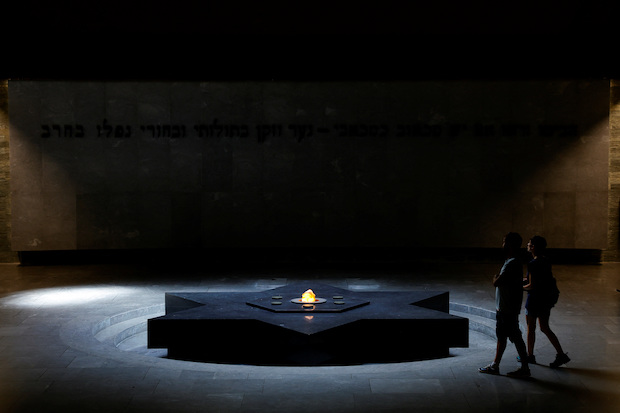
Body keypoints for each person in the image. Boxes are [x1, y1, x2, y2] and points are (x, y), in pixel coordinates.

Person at [479, 232, 531, 377]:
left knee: (513, 336)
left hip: (507, 308)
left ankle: (523, 368)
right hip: (507, 307)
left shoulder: (512, 263)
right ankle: (496, 364)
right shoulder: (513, 261)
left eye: (504, 242)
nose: (502, 244)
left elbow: (497, 282)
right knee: (505, 336)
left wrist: (495, 276)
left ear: (509, 244)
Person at [521, 235, 570, 368]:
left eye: (529, 243)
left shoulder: (532, 263)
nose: (527, 245)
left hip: (534, 300)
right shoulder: (546, 261)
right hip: (545, 300)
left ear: (534, 247)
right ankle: (561, 354)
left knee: (531, 328)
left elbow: (532, 285)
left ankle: (529, 355)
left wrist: (518, 286)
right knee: (545, 327)